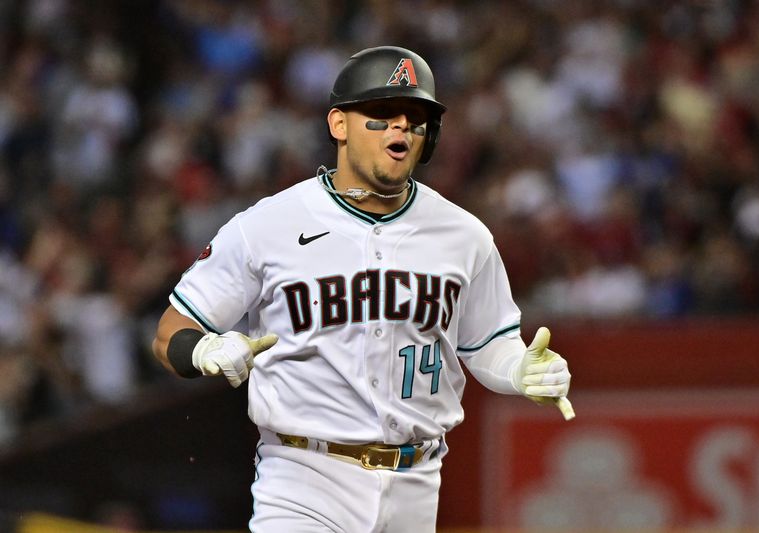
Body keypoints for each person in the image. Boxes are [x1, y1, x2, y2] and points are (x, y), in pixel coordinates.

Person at [152, 45, 574, 532]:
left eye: (415, 117)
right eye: (381, 113)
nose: (400, 127)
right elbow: (169, 333)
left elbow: (487, 346)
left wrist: (520, 368)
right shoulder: (267, 226)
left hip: (418, 484)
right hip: (303, 480)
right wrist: (204, 348)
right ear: (339, 125)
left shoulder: (464, 236)